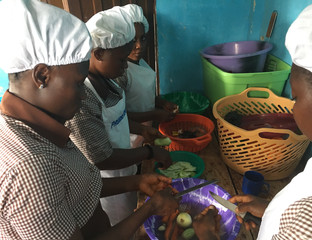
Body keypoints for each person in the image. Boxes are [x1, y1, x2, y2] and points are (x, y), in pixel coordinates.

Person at [0, 0, 179, 239]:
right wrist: (150, 208)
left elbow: (76, 189)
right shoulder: (30, 167)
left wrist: (137, 182)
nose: (84, 93)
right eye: (77, 83)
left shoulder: (40, 127)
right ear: (42, 76)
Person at [65, 6, 174, 226]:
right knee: (118, 223)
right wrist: (149, 152)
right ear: (98, 53)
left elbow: (117, 118)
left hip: (126, 168)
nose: (126, 67)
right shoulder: (83, 98)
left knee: (131, 213)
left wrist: (142, 129)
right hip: (106, 182)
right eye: (122, 60)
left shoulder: (108, 79)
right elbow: (101, 158)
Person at [228, 2, 312, 239]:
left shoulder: (311, 222)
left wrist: (207, 236)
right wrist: (274, 213)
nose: (293, 107)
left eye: (296, 96)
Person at [115, 4, 179, 148]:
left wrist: (161, 103)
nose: (139, 45)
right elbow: (118, 116)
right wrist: (154, 115)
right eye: (132, 40)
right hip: (128, 138)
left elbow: (141, 95)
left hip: (145, 133)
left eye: (142, 39)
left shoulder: (140, 62)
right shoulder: (120, 73)